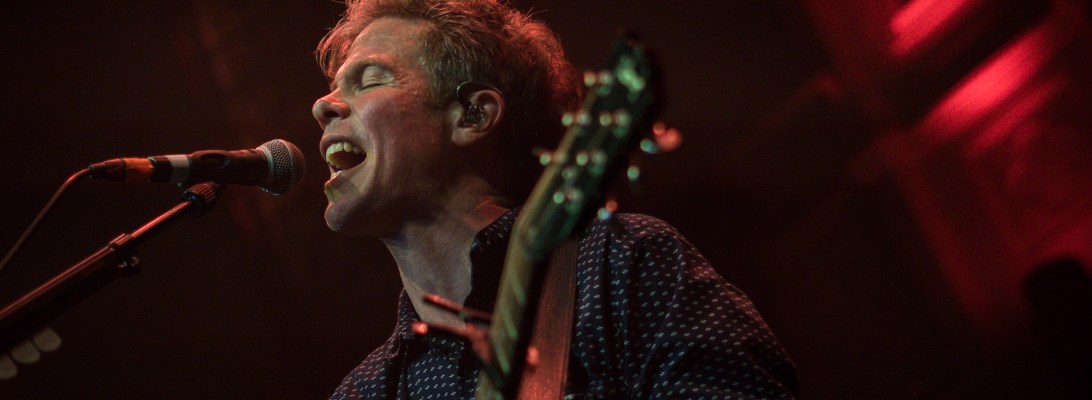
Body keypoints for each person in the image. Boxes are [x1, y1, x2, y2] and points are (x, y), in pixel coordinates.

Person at [311, 0, 798, 398]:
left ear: (473, 116)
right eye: (333, 88)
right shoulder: (368, 391)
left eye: (370, 80)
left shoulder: (619, 265)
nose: (322, 105)